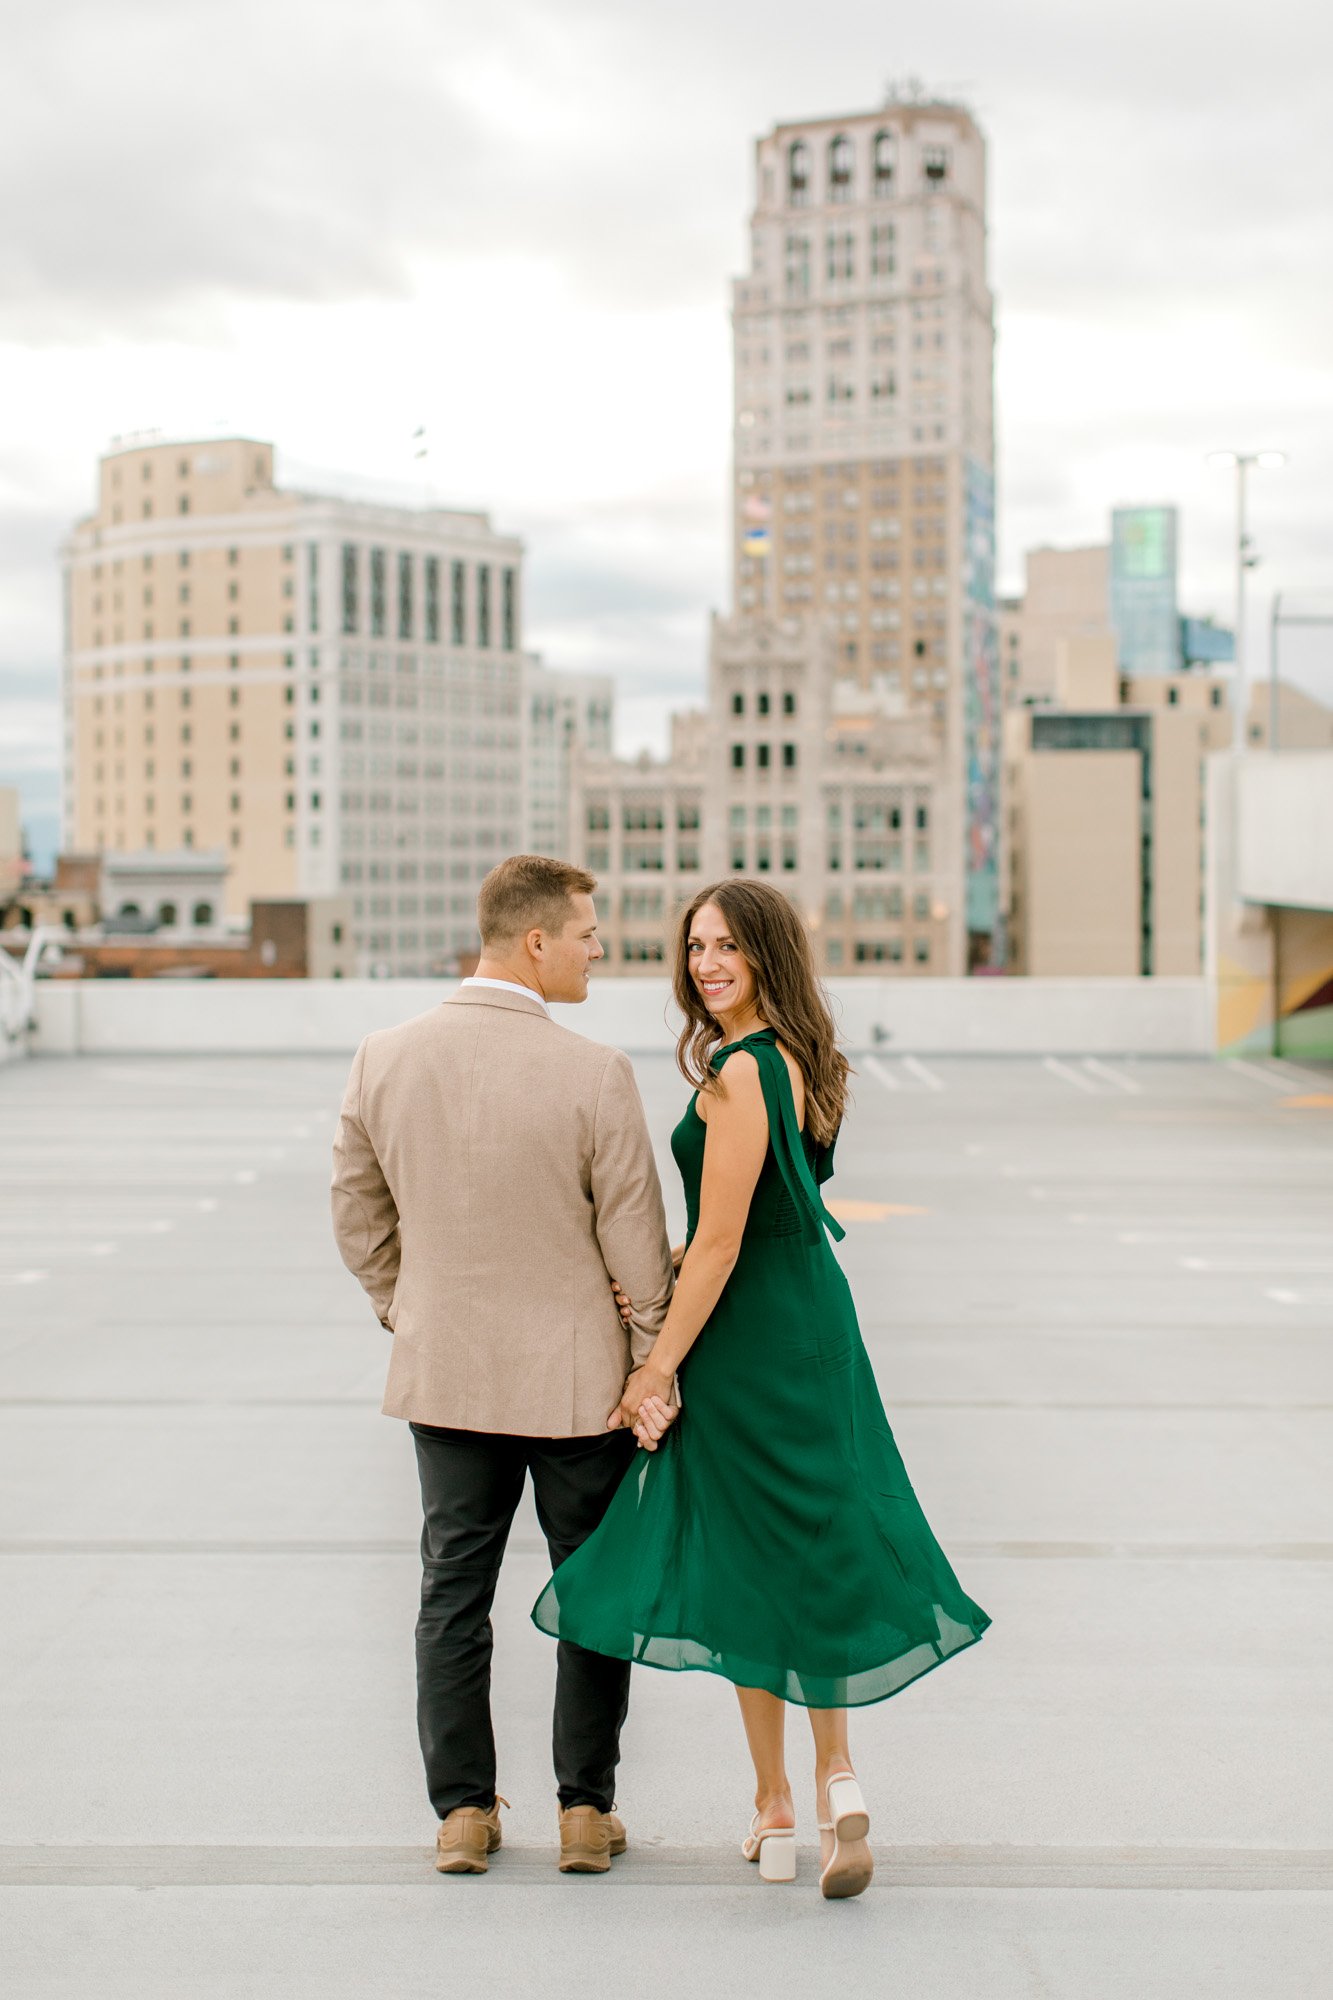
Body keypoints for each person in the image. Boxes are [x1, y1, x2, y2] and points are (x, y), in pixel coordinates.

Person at [532, 879, 991, 1899]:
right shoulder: (805, 1059)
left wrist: (654, 1363)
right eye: (695, 945)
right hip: (816, 1323)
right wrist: (687, 1250)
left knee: (744, 1554)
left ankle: (779, 1801)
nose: (706, 962)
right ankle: (838, 1778)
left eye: (729, 945)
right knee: (815, 1542)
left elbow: (728, 1239)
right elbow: (772, 1209)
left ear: (766, 952)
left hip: (748, 1339)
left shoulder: (738, 1072)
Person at [331, 855, 675, 1877]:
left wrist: (408, 1305)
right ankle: (583, 1809)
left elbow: (357, 1212)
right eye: (585, 932)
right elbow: (636, 1245)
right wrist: (651, 1366)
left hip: (447, 1373)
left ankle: (463, 1813)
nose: (597, 948)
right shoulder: (596, 1072)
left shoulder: (382, 1057)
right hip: (580, 1388)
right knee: (593, 1593)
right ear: (535, 941)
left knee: (451, 1591)